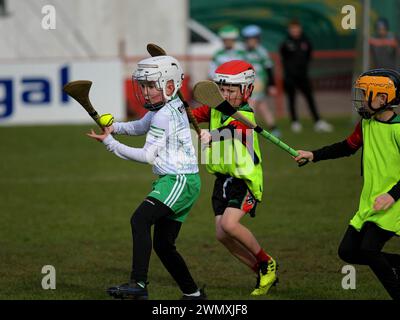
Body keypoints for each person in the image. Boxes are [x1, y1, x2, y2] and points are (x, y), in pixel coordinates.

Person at [87, 55, 206, 300]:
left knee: (140, 220)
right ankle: (193, 295)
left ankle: (138, 285)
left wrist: (110, 143)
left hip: (179, 180)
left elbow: (147, 155)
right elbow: (141, 127)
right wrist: (115, 128)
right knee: (163, 245)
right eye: (143, 85)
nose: (145, 91)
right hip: (180, 180)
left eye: (151, 85)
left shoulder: (165, 114)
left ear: (170, 86)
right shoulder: (165, 108)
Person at [294, 68, 400, 300]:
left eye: (365, 94)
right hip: (370, 202)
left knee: (370, 250)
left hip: (393, 203)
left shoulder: (398, 129)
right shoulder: (366, 124)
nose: (361, 100)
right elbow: (347, 147)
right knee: (348, 252)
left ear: (383, 98)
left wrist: (392, 195)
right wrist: (313, 154)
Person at [192, 60, 278, 296]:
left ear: (247, 90)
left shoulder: (246, 114)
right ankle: (261, 270)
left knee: (230, 225)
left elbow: (234, 129)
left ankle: (266, 262)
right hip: (223, 181)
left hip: (245, 180)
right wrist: (178, 112)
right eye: (223, 89)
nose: (227, 94)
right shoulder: (214, 109)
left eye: (232, 90)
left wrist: (213, 135)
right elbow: (193, 115)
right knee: (222, 234)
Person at [280, 19, 333, 133]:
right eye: (292, 29)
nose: (295, 31)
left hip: (303, 76)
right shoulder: (286, 43)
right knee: (292, 99)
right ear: (289, 30)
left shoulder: (306, 42)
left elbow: (308, 56)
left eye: (296, 28)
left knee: (310, 98)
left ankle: (318, 122)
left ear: (300, 29)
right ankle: (295, 122)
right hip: (290, 77)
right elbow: (284, 59)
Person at [242, 25, 280, 137]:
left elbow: (269, 68)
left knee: (251, 104)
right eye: (247, 39)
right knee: (263, 105)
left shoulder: (261, 51)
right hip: (248, 82)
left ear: (257, 39)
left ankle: (248, 127)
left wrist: (272, 85)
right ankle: (273, 127)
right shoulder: (243, 51)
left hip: (258, 81)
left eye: (252, 39)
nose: (250, 41)